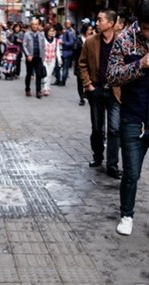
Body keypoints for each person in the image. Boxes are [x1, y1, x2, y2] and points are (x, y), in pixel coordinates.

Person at [106, 1, 149, 235]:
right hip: (133, 118)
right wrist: (140, 65)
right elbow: (112, 76)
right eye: (147, 28)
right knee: (131, 173)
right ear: (138, 23)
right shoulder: (125, 39)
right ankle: (127, 214)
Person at [78, 8, 122, 179]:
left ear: (110, 23)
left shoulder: (121, 42)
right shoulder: (90, 41)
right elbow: (81, 64)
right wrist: (88, 85)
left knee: (114, 129)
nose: (97, 23)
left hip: (114, 92)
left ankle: (112, 165)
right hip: (96, 90)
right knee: (97, 129)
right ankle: (98, 156)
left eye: (100, 20)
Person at [22, 17, 46, 98]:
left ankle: (38, 91)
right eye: (33, 24)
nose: (35, 26)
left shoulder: (41, 34)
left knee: (38, 74)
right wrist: (28, 55)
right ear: (31, 25)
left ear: (38, 25)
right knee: (29, 74)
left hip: (38, 57)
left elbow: (43, 46)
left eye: (36, 24)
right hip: (30, 57)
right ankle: (27, 89)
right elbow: (24, 45)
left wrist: (43, 56)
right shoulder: (27, 34)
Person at [73, 23, 93, 105]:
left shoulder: (93, 39)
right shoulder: (79, 39)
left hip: (91, 64)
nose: (90, 31)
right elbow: (75, 53)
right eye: (89, 29)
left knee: (89, 81)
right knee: (80, 82)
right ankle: (81, 98)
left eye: (91, 29)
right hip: (80, 64)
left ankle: (88, 95)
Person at [42, 24, 62, 96]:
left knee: (49, 74)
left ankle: (48, 87)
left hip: (52, 59)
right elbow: (42, 49)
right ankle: (45, 88)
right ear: (46, 31)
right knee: (46, 74)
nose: (52, 32)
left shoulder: (56, 40)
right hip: (45, 59)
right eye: (50, 31)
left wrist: (59, 59)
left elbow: (57, 50)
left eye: (53, 31)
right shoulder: (43, 39)